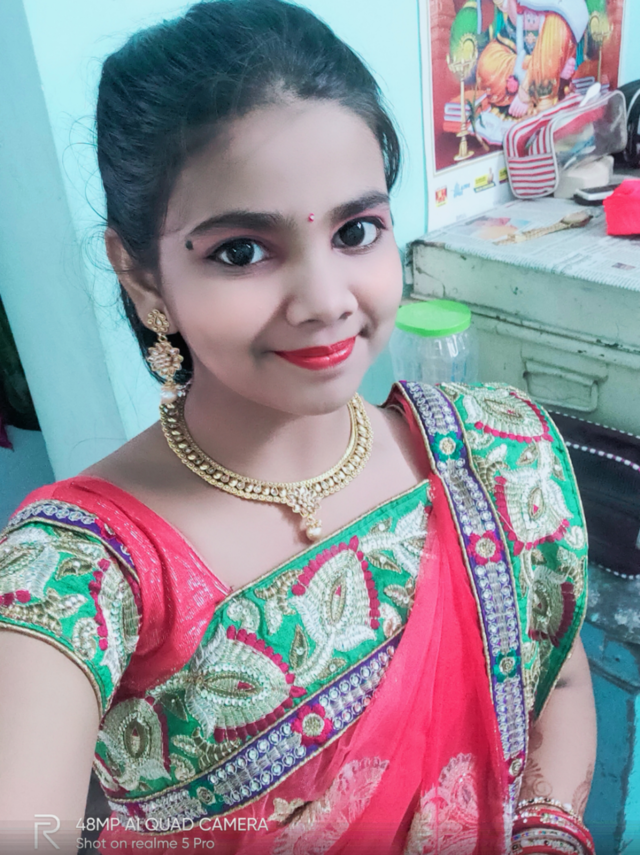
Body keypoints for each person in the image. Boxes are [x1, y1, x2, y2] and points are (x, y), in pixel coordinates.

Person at [0, 1, 596, 852]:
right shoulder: (80, 566)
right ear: (141, 276)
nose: (324, 301)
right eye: (242, 250)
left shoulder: (493, 458)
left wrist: (547, 831)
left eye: (357, 231)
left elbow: (559, 686)